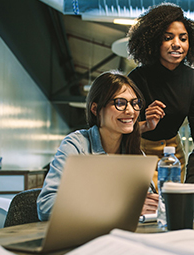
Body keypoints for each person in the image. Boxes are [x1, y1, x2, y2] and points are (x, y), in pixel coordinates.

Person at [37, 71, 159, 221]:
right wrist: (123, 205)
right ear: (95, 109)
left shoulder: (135, 152)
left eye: (135, 103)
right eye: (120, 103)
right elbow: (46, 206)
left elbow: (147, 201)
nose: (131, 111)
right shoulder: (76, 146)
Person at [127, 3, 194, 183]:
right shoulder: (137, 78)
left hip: (173, 155)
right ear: (156, 42)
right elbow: (123, 127)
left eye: (183, 38)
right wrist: (144, 122)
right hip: (140, 152)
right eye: (168, 38)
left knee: (171, 206)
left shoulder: (193, 78)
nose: (177, 44)